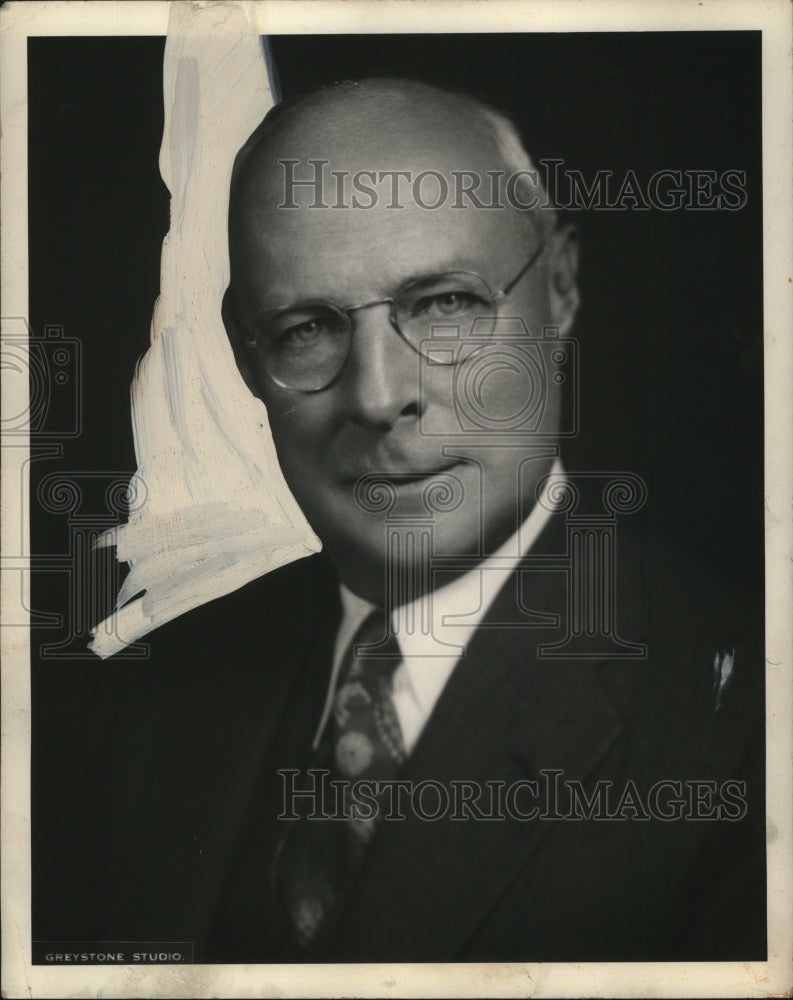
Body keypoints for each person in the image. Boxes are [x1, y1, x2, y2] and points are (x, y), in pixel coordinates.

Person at [45, 78, 765, 964]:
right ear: (246, 355)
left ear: (563, 288)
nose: (379, 396)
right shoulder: (129, 704)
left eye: (444, 304)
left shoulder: (751, 723)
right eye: (307, 326)